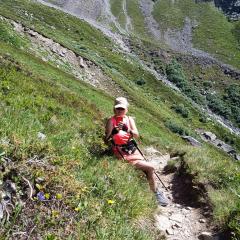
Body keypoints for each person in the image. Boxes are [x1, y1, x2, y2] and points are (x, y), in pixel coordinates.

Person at [105, 97, 168, 206]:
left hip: (132, 149)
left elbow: (136, 135)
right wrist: (113, 132)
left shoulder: (129, 120)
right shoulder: (111, 121)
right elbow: (106, 139)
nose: (120, 111)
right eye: (117, 108)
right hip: (120, 151)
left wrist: (127, 129)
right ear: (114, 109)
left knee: (148, 169)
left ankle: (155, 191)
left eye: (122, 109)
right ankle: (155, 193)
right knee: (150, 168)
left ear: (126, 109)